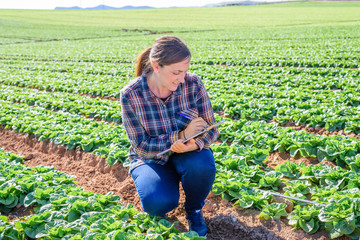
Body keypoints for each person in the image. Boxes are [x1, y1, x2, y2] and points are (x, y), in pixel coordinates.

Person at [120, 35, 219, 237]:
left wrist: (192, 145)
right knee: (158, 202)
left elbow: (212, 128)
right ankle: (166, 183)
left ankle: (194, 210)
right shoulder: (131, 95)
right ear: (156, 67)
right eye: (176, 72)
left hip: (187, 154)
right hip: (151, 159)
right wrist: (181, 135)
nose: (182, 78)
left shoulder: (192, 84)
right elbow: (140, 145)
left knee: (201, 165)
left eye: (185, 71)